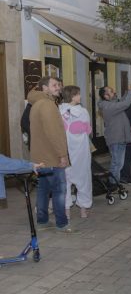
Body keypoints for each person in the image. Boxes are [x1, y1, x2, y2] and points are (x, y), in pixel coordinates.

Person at [28, 76, 71, 232]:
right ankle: (62, 223)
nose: (58, 87)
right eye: (54, 85)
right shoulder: (48, 105)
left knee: (43, 189)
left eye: (59, 85)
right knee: (59, 190)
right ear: (44, 88)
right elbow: (54, 133)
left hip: (40, 156)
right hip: (52, 157)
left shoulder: (36, 103)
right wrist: (62, 155)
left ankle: (42, 220)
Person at [59, 85, 92, 219]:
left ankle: (66, 210)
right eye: (78, 94)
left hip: (65, 150)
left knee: (64, 181)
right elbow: (88, 130)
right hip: (81, 151)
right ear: (72, 96)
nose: (80, 96)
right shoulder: (83, 112)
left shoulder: (58, 110)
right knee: (83, 179)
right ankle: (83, 209)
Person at [98, 83, 131, 186]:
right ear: (106, 96)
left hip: (120, 138)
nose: (114, 92)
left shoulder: (112, 104)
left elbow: (122, 101)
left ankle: (115, 183)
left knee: (119, 163)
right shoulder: (108, 106)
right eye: (111, 91)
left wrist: (128, 90)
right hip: (116, 139)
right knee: (116, 163)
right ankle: (113, 185)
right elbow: (125, 104)